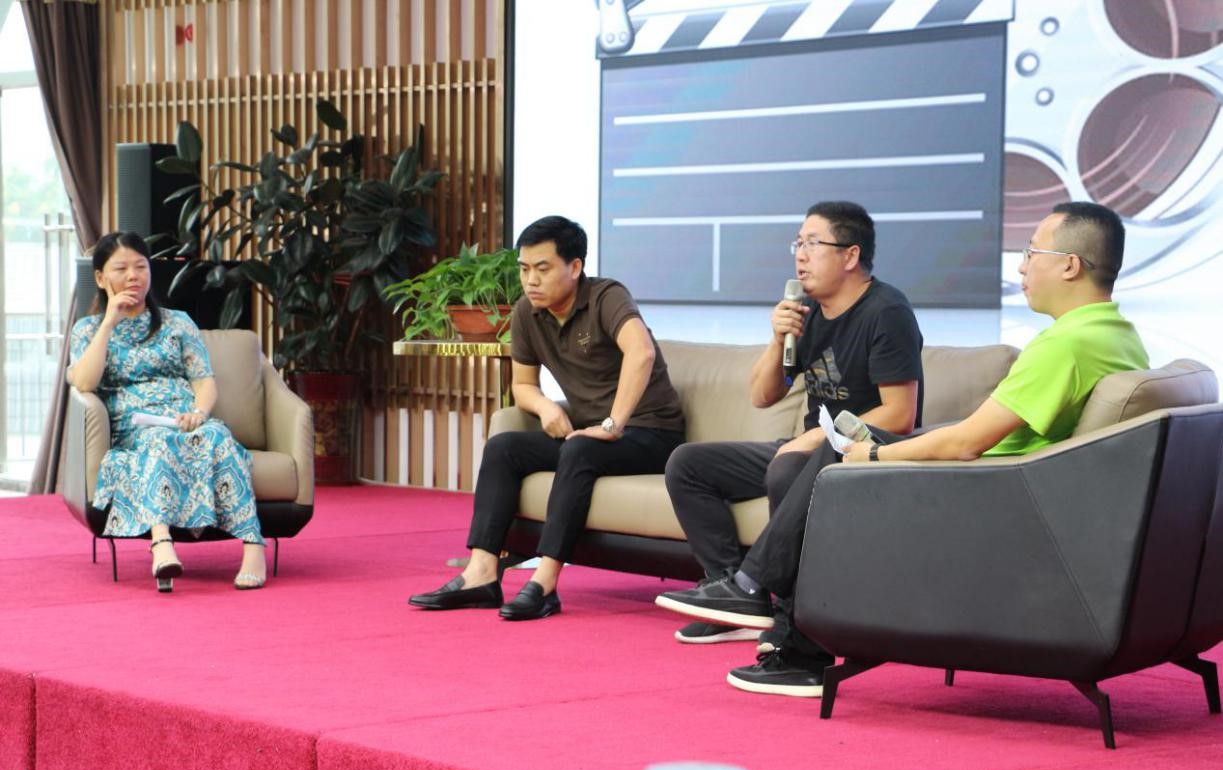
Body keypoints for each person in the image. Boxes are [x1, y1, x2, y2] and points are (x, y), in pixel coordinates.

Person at [657, 201, 1150, 697]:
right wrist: (780, 340)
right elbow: (767, 396)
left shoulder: (1063, 347)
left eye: (1031, 253)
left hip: (990, 497)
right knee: (732, 462)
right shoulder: (1113, 335)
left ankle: (757, 598)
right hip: (1012, 486)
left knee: (834, 453)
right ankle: (747, 596)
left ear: (1069, 265)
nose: (1021, 266)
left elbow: (965, 442)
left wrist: (873, 455)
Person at [662, 201, 923, 651]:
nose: (800, 255)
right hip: (805, 446)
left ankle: (785, 618)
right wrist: (777, 338)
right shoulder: (807, 312)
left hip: (861, 454)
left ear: (850, 255)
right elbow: (763, 396)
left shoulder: (886, 311)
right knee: (689, 465)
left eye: (812, 243)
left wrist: (820, 435)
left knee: (787, 468)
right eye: (797, 243)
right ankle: (732, 598)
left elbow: (900, 413)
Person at [409, 215, 685, 620]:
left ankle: (545, 583)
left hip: (651, 433)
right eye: (524, 269)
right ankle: (481, 574)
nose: (530, 280)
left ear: (574, 267)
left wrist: (613, 424)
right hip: (589, 436)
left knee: (579, 450)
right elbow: (523, 385)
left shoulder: (606, 296)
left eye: (542, 269)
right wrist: (546, 407)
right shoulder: (527, 313)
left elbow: (640, 352)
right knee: (504, 447)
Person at [66, 232, 267, 592]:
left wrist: (199, 413)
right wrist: (108, 322)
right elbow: (84, 382)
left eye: (141, 267)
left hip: (185, 418)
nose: (133, 276)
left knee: (218, 435)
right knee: (157, 441)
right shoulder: (88, 329)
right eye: (121, 269)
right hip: (136, 425)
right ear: (100, 277)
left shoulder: (178, 322)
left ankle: (254, 547)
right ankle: (161, 544)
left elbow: (204, 381)